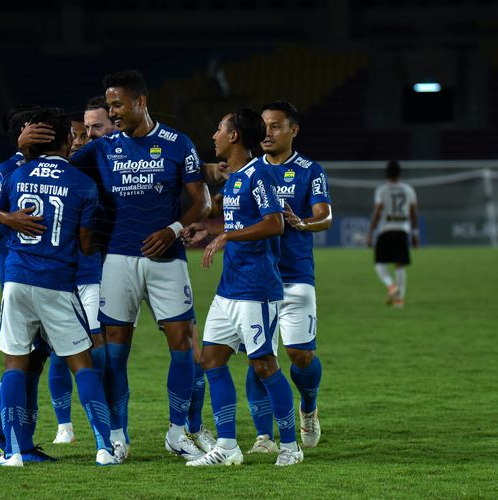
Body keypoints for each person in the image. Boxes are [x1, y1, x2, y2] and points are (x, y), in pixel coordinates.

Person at [21, 70, 212, 461]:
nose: (113, 112)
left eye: (117, 105)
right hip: (118, 261)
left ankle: (177, 433)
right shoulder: (104, 149)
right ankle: (118, 436)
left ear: (140, 102)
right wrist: (22, 149)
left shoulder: (178, 144)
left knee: (183, 345)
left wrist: (174, 229)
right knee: (113, 353)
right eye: (109, 106)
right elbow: (58, 167)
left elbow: (202, 201)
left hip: (167, 259)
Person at [0, 107, 121, 466]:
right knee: (82, 364)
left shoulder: (15, 174)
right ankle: (104, 448)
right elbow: (87, 246)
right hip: (56, 282)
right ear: (68, 140)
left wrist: (7, 218)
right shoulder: (82, 183)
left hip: (16, 280)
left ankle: (12, 452)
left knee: (15, 365)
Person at [182, 109, 302, 467]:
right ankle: (228, 446)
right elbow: (236, 221)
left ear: (234, 136)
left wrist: (226, 236)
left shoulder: (259, 174)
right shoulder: (234, 178)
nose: (215, 134)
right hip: (229, 289)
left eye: (220, 128)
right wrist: (210, 231)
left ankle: (291, 446)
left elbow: (274, 223)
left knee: (264, 364)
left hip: (257, 289)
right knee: (211, 361)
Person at [243, 101, 332, 453]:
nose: (267, 132)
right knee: (259, 355)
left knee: (299, 354)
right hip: (256, 278)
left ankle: (308, 407)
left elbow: (324, 216)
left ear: (293, 130)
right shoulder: (249, 171)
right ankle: (264, 436)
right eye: (264, 125)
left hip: (296, 276)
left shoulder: (310, 170)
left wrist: (303, 223)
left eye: (276, 126)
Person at [0, 105, 53, 461]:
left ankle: (7, 433)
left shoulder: (41, 170)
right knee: (23, 358)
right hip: (21, 281)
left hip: (41, 279)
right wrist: (7, 217)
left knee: (35, 358)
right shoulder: (12, 169)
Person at [47, 110, 107, 445]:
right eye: (75, 136)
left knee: (95, 346)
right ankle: (64, 426)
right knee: (59, 350)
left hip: (92, 275)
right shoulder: (55, 176)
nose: (79, 142)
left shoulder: (92, 172)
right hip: (61, 277)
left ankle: (101, 420)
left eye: (85, 135)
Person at [366, 160, 419, 308]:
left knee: (379, 263)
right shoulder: (408, 190)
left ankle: (391, 286)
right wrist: (415, 232)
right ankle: (399, 300)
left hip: (386, 230)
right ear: (400, 173)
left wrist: (370, 232)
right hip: (403, 230)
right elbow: (413, 213)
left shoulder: (382, 190)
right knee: (399, 265)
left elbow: (377, 213)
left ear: (386, 174)